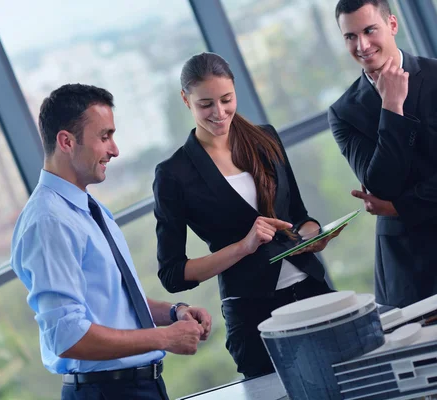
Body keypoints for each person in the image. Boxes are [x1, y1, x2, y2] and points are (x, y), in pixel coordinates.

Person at [10, 83, 212, 400]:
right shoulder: (50, 223)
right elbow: (68, 336)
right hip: (107, 392)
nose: (114, 150)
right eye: (104, 137)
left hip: (136, 387)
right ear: (66, 141)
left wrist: (174, 313)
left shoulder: (88, 209)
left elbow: (116, 304)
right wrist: (163, 339)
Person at [152, 52, 343, 379]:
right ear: (186, 100)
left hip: (313, 291)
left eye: (226, 99)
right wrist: (243, 246)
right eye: (206, 104)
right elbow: (173, 274)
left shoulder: (265, 138)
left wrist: (313, 236)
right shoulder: (173, 174)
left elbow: (299, 215)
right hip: (254, 315)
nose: (219, 112)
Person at [329, 0, 437, 308]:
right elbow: (382, 186)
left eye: (369, 30)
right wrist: (392, 107)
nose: (361, 45)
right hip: (408, 264)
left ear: (392, 25)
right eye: (350, 36)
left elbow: (390, 197)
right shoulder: (343, 112)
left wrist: (399, 206)